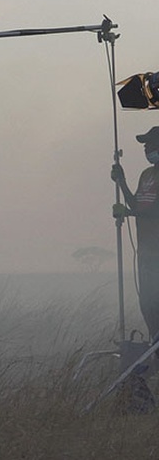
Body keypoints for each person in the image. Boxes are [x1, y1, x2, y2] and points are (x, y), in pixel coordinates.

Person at [112, 126, 159, 341]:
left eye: (150, 144)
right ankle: (154, 346)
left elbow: (155, 210)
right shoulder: (146, 174)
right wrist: (121, 182)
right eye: (145, 145)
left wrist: (129, 212)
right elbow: (137, 204)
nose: (146, 148)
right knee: (146, 302)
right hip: (145, 249)